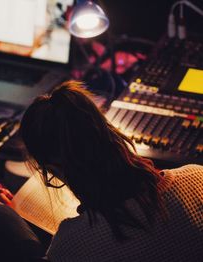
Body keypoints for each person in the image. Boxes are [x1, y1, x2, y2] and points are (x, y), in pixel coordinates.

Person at [18, 80, 203, 261]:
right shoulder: (197, 177)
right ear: (109, 129)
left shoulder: (70, 247)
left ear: (54, 168)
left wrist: (17, 225)